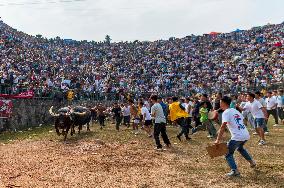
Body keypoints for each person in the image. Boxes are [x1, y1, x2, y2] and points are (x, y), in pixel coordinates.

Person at [215, 96, 256, 177]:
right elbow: (243, 120)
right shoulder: (235, 110)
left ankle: (235, 171)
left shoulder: (226, 112)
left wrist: (217, 140)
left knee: (228, 153)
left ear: (223, 103)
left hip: (238, 136)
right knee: (240, 148)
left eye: (220, 103)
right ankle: (252, 162)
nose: (220, 105)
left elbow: (223, 126)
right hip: (245, 134)